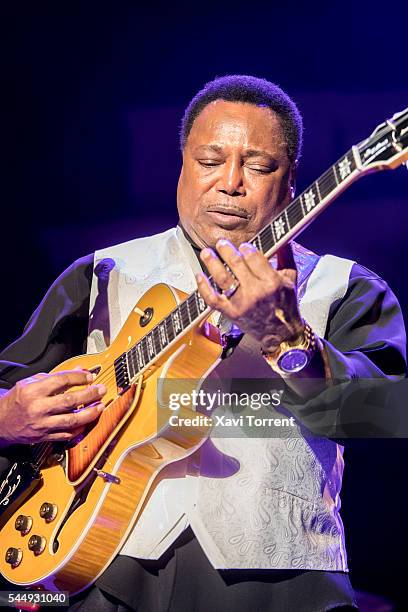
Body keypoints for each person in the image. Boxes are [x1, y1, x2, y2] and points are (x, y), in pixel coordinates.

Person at [0, 75, 406, 611]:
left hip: (280, 582)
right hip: (102, 566)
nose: (230, 182)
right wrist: (7, 417)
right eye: (209, 161)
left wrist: (287, 338)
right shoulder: (103, 272)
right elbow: (15, 391)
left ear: (292, 185)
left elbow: (383, 415)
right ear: (183, 165)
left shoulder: (343, 286)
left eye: (259, 166)